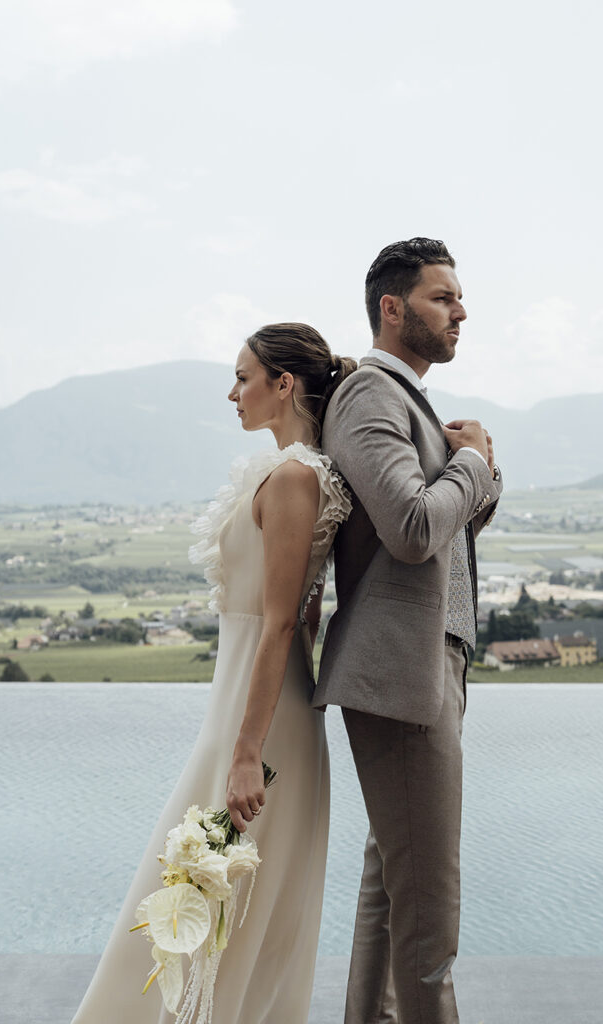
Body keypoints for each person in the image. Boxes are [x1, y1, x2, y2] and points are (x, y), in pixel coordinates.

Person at [71, 323, 355, 1024]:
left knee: (214, 898)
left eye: (242, 377)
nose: (232, 393)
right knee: (196, 894)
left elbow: (285, 623)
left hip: (259, 726)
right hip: (241, 710)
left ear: (283, 384)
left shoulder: (293, 478)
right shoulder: (283, 471)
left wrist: (247, 754)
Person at [313, 238, 503, 1024]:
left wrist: (475, 466)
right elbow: (415, 529)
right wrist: (471, 465)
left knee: (394, 892)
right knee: (429, 911)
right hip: (400, 675)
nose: (461, 311)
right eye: (442, 298)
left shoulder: (409, 402)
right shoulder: (370, 397)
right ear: (391, 309)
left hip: (428, 668)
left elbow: (450, 526)